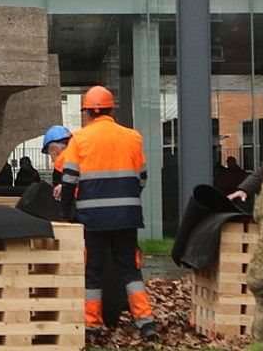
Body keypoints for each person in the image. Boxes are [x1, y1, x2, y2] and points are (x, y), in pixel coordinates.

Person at [59, 86, 158, 341]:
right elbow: (142, 179)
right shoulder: (132, 137)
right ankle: (146, 322)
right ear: (111, 109)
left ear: (87, 113)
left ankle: (92, 326)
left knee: (93, 271)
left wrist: (66, 214)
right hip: (127, 217)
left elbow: (68, 181)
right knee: (131, 271)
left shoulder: (79, 140)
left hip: (93, 220)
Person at [42, 125, 72, 200]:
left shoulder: (59, 168)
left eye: (50, 154)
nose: (52, 160)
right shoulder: (84, 159)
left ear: (56, 150)